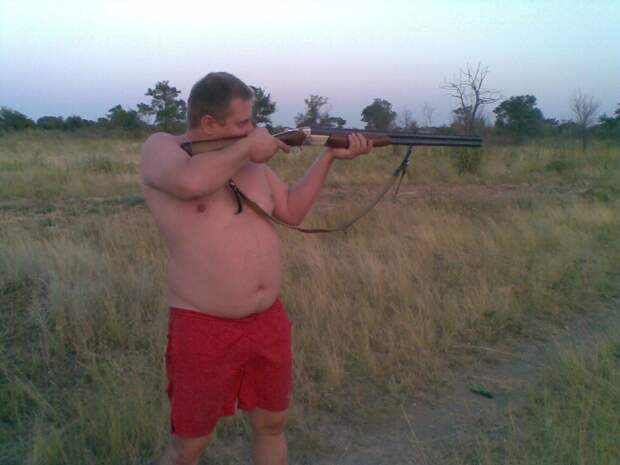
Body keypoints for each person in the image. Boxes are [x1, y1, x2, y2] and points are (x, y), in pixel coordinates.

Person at [140, 71, 373, 465]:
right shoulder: (162, 148)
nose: (253, 130)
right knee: (189, 444)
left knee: (272, 424)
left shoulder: (254, 167)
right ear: (208, 123)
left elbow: (292, 211)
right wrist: (249, 147)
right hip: (202, 325)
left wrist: (329, 155)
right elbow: (191, 183)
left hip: (267, 320)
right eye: (243, 123)